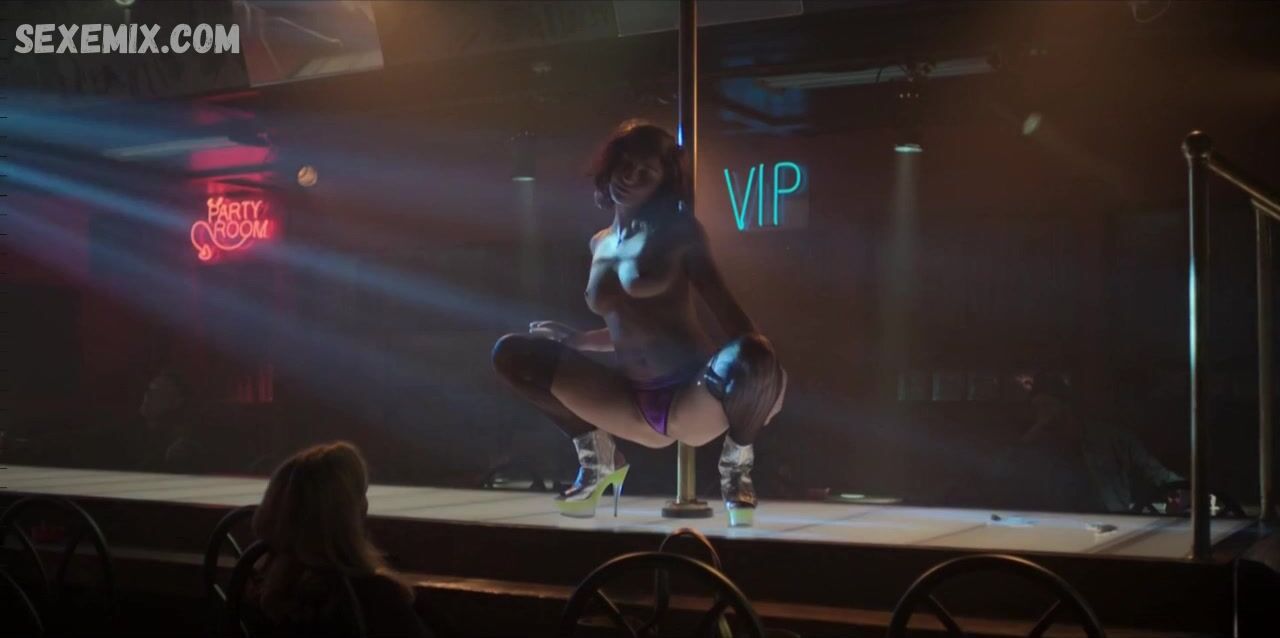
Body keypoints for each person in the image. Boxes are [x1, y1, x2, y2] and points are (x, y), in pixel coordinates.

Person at [492, 120, 787, 527]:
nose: (628, 177)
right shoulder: (599, 242)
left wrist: (763, 376)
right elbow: (629, 324)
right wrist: (579, 340)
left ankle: (737, 468)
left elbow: (728, 313)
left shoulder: (680, 232)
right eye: (625, 163)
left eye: (645, 172)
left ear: (664, 181)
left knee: (754, 350)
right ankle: (599, 459)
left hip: (692, 395)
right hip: (631, 402)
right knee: (511, 353)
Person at [250, 442, 431, 637]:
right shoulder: (371, 596)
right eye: (360, 496)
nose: (365, 506)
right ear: (347, 517)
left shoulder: (259, 587)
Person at [1003, 372, 1184, 513]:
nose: (1043, 414)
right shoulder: (1038, 444)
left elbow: (1155, 471)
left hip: (1113, 523)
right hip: (1054, 525)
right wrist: (1033, 434)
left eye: (1047, 406)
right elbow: (1008, 473)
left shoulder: (1111, 438)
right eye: (1037, 408)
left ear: (1066, 406)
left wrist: (1186, 491)